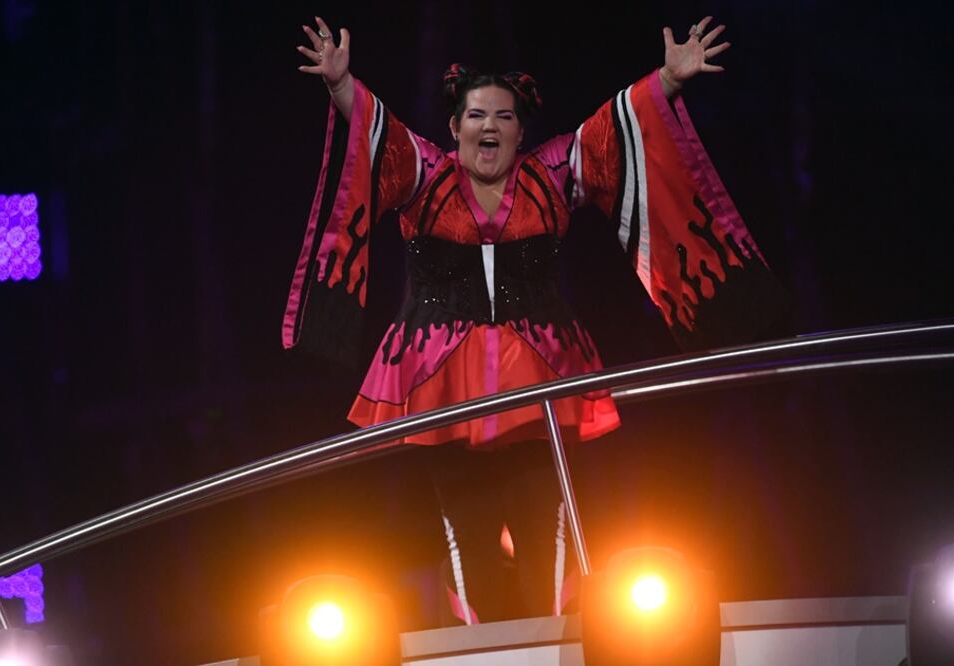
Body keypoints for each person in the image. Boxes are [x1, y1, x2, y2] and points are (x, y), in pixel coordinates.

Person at [283, 16, 785, 624]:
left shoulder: (552, 175)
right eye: (475, 116)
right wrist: (341, 85)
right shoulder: (425, 175)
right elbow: (377, 132)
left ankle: (547, 641)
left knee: (544, 529)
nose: (488, 127)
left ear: (521, 132)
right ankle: (482, 653)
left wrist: (669, 81)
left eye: (502, 117)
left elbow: (614, 130)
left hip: (541, 376)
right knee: (467, 536)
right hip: (438, 380)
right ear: (454, 128)